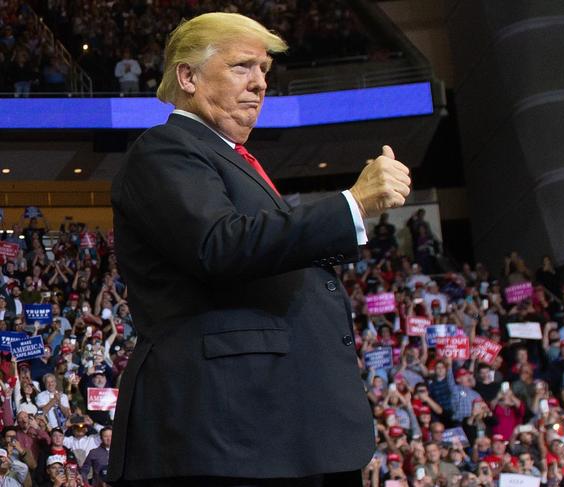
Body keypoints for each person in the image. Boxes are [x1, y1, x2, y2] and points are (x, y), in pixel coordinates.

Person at [107, 12, 410, 487]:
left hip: (277, 431)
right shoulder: (165, 149)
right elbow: (220, 244)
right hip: (227, 434)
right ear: (188, 76)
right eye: (242, 67)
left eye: (265, 70)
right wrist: (352, 204)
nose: (260, 83)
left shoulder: (229, 157)